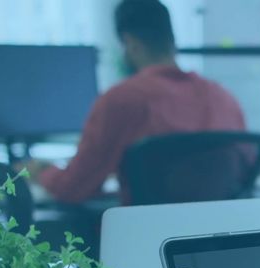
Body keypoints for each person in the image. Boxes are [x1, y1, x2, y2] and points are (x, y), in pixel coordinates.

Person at [20, 0, 246, 205]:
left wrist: (40, 170)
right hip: (214, 233)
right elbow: (243, 171)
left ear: (130, 43)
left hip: (141, 232)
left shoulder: (121, 99)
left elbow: (73, 187)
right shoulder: (223, 98)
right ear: (171, 40)